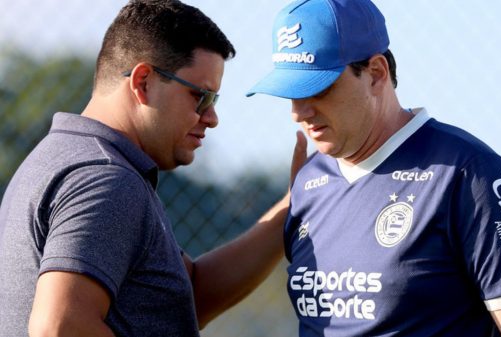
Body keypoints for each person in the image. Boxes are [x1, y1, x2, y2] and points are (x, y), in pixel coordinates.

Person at [247, 0, 501, 336]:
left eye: (317, 88)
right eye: (290, 93)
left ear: (376, 74)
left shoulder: (467, 175)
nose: (299, 112)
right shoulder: (309, 181)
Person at [0, 1, 307, 336]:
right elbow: (60, 326)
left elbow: (191, 295)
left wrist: (293, 207)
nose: (212, 118)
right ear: (143, 82)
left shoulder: (61, 158)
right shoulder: (106, 179)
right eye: (201, 97)